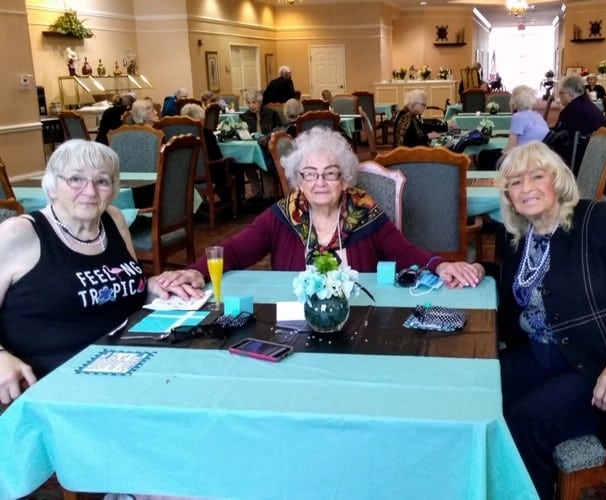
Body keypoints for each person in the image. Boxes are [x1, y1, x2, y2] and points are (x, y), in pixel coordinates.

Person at [0, 140, 203, 403]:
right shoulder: (19, 234)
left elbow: (119, 286)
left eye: (102, 181)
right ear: (52, 187)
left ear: (115, 189)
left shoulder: (113, 220)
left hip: (126, 365)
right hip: (55, 385)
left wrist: (152, 286)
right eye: (76, 179)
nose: (90, 191)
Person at [495, 141, 606, 500]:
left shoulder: (603, 223)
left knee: (526, 419)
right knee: (479, 391)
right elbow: (512, 313)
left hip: (598, 367)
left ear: (557, 180)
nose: (526, 188)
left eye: (536, 176)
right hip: (541, 355)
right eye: (514, 182)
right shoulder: (517, 240)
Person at [168, 127, 484, 288]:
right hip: (293, 324)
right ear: (298, 180)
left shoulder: (365, 211)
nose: (320, 182)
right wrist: (196, 274)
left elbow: (404, 252)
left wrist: (439, 265)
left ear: (344, 179)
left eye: (330, 173)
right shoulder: (283, 215)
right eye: (310, 174)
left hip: (360, 317)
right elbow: (235, 250)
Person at [476, 85, 549, 169]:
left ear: (514, 102)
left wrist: (500, 153)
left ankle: (485, 180)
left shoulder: (518, 117)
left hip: (522, 158)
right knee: (491, 153)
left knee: (484, 155)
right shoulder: (537, 115)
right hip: (538, 156)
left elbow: (510, 149)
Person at [553, 74, 606, 171]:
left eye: (561, 93)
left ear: (570, 94)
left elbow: (559, 138)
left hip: (578, 162)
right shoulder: (587, 104)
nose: (559, 97)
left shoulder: (571, 110)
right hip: (594, 157)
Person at [240, 90, 282, 200]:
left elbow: (279, 130)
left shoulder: (271, 113)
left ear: (260, 102)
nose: (251, 106)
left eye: (254, 102)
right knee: (245, 160)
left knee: (265, 158)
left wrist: (266, 136)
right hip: (251, 148)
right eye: (248, 103)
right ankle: (256, 191)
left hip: (268, 146)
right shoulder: (244, 116)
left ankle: (269, 193)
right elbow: (241, 133)